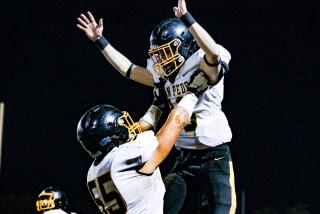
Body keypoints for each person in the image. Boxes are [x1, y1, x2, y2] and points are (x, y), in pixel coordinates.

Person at [77, 0, 237, 213]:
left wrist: (188, 20)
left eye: (165, 52)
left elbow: (214, 54)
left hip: (214, 155)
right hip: (184, 158)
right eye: (158, 54)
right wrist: (101, 41)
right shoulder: (165, 78)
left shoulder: (202, 62)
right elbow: (129, 70)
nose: (160, 59)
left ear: (184, 45)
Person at [76, 72, 209, 214]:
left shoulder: (93, 172)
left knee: (175, 182)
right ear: (110, 136)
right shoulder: (127, 155)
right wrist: (192, 93)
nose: (130, 127)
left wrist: (157, 104)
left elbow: (136, 132)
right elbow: (176, 123)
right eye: (122, 125)